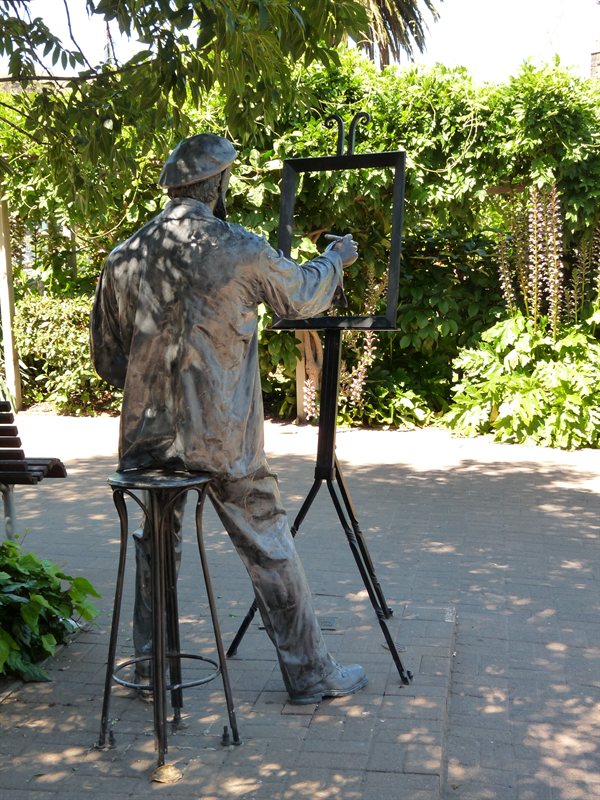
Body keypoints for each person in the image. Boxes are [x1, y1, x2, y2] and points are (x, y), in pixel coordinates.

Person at [90, 133, 367, 704]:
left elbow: (107, 360)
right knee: (266, 539)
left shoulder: (125, 257)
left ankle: (151, 669)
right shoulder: (238, 246)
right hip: (223, 439)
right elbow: (303, 296)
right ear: (217, 186)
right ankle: (311, 675)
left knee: (155, 540)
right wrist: (334, 260)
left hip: (147, 445)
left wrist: (153, 387)